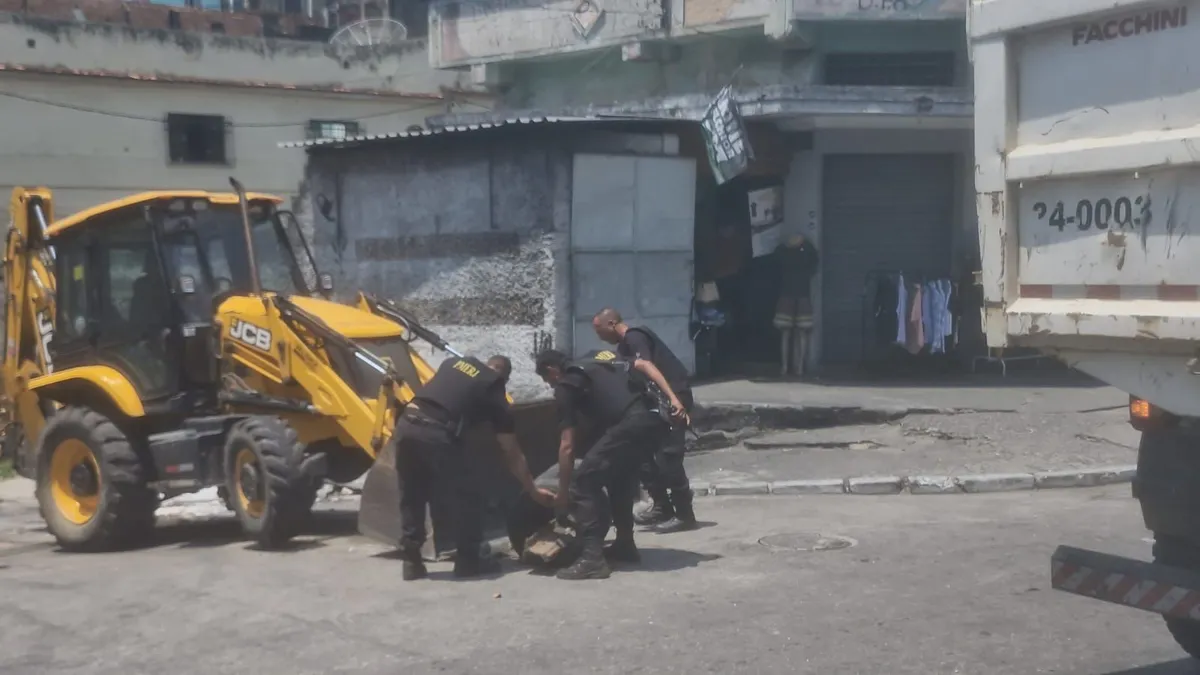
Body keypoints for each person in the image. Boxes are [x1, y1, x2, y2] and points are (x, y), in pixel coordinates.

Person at [395, 354, 554, 581]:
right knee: (469, 496)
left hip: (406, 424)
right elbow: (511, 451)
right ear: (504, 378)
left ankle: (411, 561)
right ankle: (469, 561)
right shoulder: (494, 386)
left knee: (412, 494)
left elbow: (456, 398)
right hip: (437, 433)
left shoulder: (454, 362)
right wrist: (532, 489)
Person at [535, 348, 687, 580]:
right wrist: (674, 399)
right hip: (655, 420)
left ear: (552, 370)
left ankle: (592, 559)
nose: (551, 386)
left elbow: (567, 445)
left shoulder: (567, 384)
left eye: (547, 380)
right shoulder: (600, 359)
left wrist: (564, 493)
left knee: (584, 481)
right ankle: (625, 544)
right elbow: (643, 365)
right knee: (620, 477)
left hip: (632, 424)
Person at [592, 308, 698, 533]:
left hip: (673, 396)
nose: (600, 337)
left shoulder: (635, 337)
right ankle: (662, 507)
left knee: (669, 456)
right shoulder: (623, 347)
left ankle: (685, 515)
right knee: (644, 456)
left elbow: (648, 367)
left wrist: (674, 401)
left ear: (611, 323)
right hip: (655, 402)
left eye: (601, 331)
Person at [772, 233, 819, 377]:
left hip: (788, 295)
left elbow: (775, 262)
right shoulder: (805, 250)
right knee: (800, 333)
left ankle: (788, 367)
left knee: (788, 333)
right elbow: (814, 265)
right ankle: (796, 367)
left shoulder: (782, 251)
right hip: (800, 294)